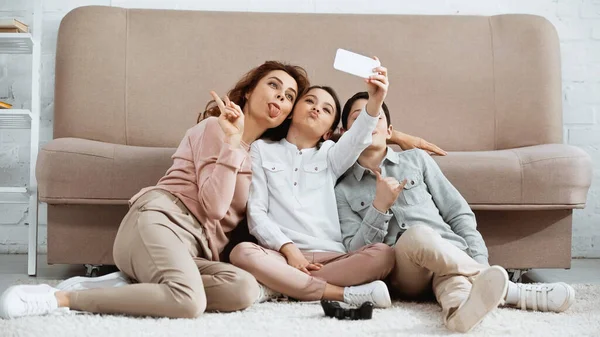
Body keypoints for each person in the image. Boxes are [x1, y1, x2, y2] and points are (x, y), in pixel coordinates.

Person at [0, 61, 310, 320]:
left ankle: (125, 289)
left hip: (193, 251)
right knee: (189, 302)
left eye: (289, 96)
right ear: (249, 90)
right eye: (273, 85)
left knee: (242, 288)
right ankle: (63, 299)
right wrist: (233, 143)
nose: (281, 96)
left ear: (287, 114)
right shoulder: (217, 128)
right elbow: (214, 208)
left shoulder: (264, 158)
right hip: (160, 220)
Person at [335, 92, 576, 333]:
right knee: (418, 235)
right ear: (346, 135)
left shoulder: (416, 160)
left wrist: (477, 259)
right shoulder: (343, 189)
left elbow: (458, 212)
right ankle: (513, 291)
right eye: (358, 118)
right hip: (405, 273)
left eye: (375, 117)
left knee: (456, 287)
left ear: (389, 131)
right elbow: (354, 252)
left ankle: (458, 312)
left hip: (450, 254)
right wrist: (379, 207)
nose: (367, 123)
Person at [230, 59, 399, 308]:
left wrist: (376, 100)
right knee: (241, 252)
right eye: (309, 101)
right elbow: (256, 212)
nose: (316, 108)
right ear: (291, 111)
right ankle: (340, 294)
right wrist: (289, 251)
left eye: (327, 109)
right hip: (280, 255)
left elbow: (358, 137)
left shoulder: (331, 154)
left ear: (328, 132)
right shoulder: (261, 150)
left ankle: (278, 286)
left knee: (383, 255)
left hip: (331, 257)